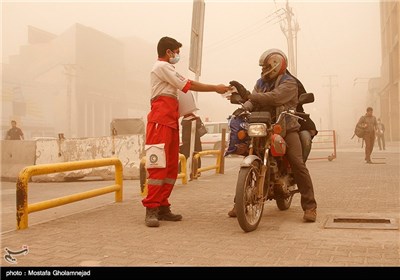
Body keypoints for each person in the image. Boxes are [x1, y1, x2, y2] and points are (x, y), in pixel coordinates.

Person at [142, 36, 231, 227]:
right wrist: (215, 88)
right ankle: (151, 208)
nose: (177, 56)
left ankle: (163, 206)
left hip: (171, 122)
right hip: (159, 124)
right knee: (158, 167)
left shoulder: (168, 69)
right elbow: (188, 85)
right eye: (176, 52)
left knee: (171, 167)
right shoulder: (161, 67)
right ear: (169, 52)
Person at [227, 48, 317, 222]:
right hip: (262, 126)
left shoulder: (289, 83)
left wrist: (249, 96)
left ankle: (310, 206)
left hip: (286, 128)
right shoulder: (260, 82)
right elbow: (253, 99)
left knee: (297, 163)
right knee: (250, 155)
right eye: (261, 67)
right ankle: (240, 202)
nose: (262, 70)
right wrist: (243, 107)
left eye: (265, 66)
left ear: (276, 64)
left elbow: (274, 98)